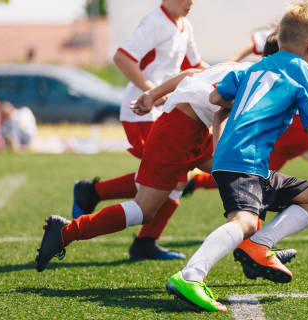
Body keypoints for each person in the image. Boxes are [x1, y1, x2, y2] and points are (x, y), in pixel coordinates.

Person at [34, 36, 298, 274]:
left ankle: (256, 251)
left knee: (246, 181)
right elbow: (222, 109)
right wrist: (222, 148)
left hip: (188, 130)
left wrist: (151, 95)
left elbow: (192, 74)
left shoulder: (247, 69)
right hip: (178, 132)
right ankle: (66, 232)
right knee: (144, 209)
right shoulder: (259, 78)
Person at [164, 2, 308, 311]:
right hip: (243, 160)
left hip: (244, 162)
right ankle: (191, 275)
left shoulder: (254, 67)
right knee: (245, 220)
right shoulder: (301, 69)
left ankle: (258, 245)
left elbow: (216, 97)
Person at [185, 0, 308, 241]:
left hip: (296, 117)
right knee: (262, 177)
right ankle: (255, 234)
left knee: (262, 176)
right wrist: (231, 64)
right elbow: (253, 44)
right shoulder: (290, 46)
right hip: (288, 119)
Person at [71, 0, 208, 260]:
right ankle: (101, 201)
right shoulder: (155, 22)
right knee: (167, 179)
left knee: (174, 178)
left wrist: (232, 72)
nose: (190, 1)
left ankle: (139, 236)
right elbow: (122, 57)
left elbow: (196, 66)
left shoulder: (185, 26)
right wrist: (152, 92)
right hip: (141, 112)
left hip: (164, 112)